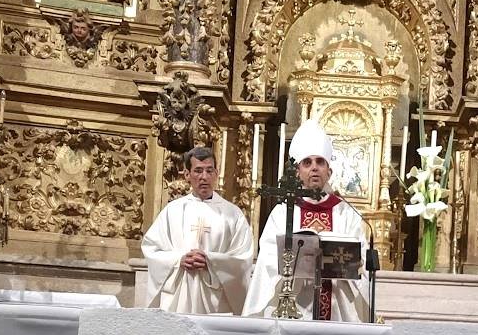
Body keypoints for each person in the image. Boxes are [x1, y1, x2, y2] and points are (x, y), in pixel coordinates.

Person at [243, 120, 371, 321]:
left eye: (320, 162)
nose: (314, 168)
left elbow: (360, 257)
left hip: (336, 305)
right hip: (293, 301)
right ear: (297, 171)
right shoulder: (283, 211)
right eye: (307, 162)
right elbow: (268, 257)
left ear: (329, 171)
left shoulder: (345, 212)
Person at [140, 146, 254, 315]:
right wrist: (179, 259)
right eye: (198, 171)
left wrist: (211, 261)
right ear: (187, 174)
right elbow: (151, 248)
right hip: (180, 293)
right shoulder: (173, 210)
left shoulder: (232, 214)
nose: (204, 177)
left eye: (209, 171)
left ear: (216, 173)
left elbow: (242, 258)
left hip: (215, 298)